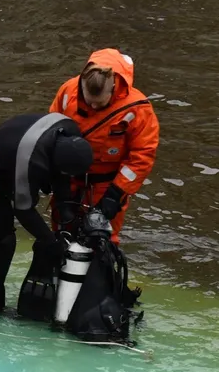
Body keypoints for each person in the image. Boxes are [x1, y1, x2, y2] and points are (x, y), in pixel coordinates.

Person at [0, 114, 93, 313]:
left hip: (12, 157)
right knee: (1, 236)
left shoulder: (70, 131)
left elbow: (62, 178)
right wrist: (50, 242)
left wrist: (66, 212)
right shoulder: (30, 160)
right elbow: (23, 211)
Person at [48, 48, 159, 243]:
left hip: (108, 184)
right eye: (89, 103)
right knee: (61, 235)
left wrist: (114, 195)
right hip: (68, 179)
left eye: (99, 104)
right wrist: (60, 187)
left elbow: (141, 156)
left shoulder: (137, 109)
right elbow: (51, 134)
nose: (93, 108)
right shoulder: (68, 91)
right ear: (82, 84)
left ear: (113, 88)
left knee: (101, 239)